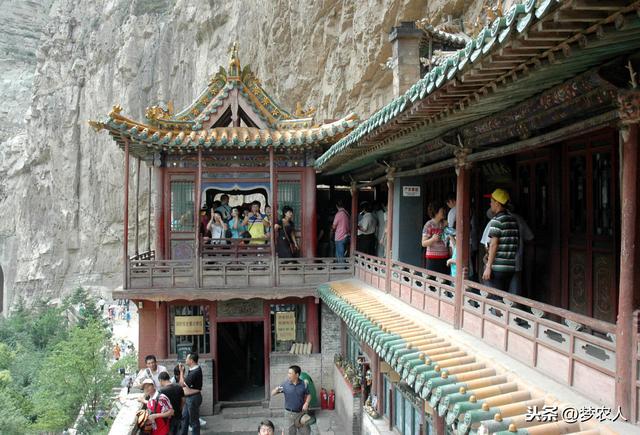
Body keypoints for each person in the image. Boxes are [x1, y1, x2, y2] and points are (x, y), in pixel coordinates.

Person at [482, 189, 520, 292]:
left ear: (497, 204)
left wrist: (488, 266)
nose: (490, 204)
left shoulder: (497, 221)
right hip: (510, 267)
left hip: (497, 268)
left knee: (496, 299)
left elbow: (494, 244)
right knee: (505, 297)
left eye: (491, 201)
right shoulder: (513, 220)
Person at [270, 365, 311, 435]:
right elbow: (272, 393)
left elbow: (309, 395)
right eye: (288, 373)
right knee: (289, 433)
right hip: (289, 415)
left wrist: (306, 403)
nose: (288, 375)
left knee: (306, 432)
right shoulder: (285, 384)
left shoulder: (303, 384)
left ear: (297, 375)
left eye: (290, 373)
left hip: (301, 414)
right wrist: (276, 390)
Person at [421, 202, 449, 274]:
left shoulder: (444, 224)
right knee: (432, 282)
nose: (444, 212)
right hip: (432, 259)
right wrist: (432, 239)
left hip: (445, 257)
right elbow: (423, 243)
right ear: (436, 212)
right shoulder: (428, 224)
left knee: (444, 282)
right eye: (442, 210)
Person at [179, 353, 203, 435]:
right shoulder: (193, 369)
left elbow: (182, 383)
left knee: (194, 421)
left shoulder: (194, 372)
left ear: (191, 360)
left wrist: (181, 372)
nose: (185, 360)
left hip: (193, 398)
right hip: (190, 397)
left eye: (187, 358)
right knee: (185, 417)